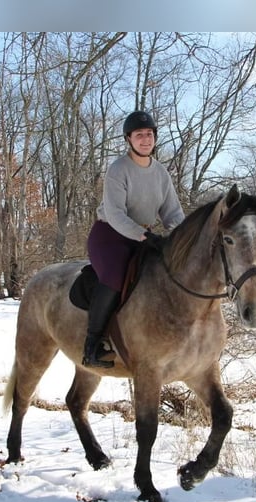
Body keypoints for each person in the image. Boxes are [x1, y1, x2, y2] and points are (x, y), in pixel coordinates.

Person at [82, 110, 185, 368]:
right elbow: (115, 214)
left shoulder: (161, 173)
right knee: (116, 276)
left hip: (144, 237)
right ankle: (92, 345)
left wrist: (183, 239)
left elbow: (172, 212)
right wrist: (144, 235)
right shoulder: (118, 169)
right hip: (110, 236)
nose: (145, 139)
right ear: (129, 139)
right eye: (139, 135)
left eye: (149, 134)